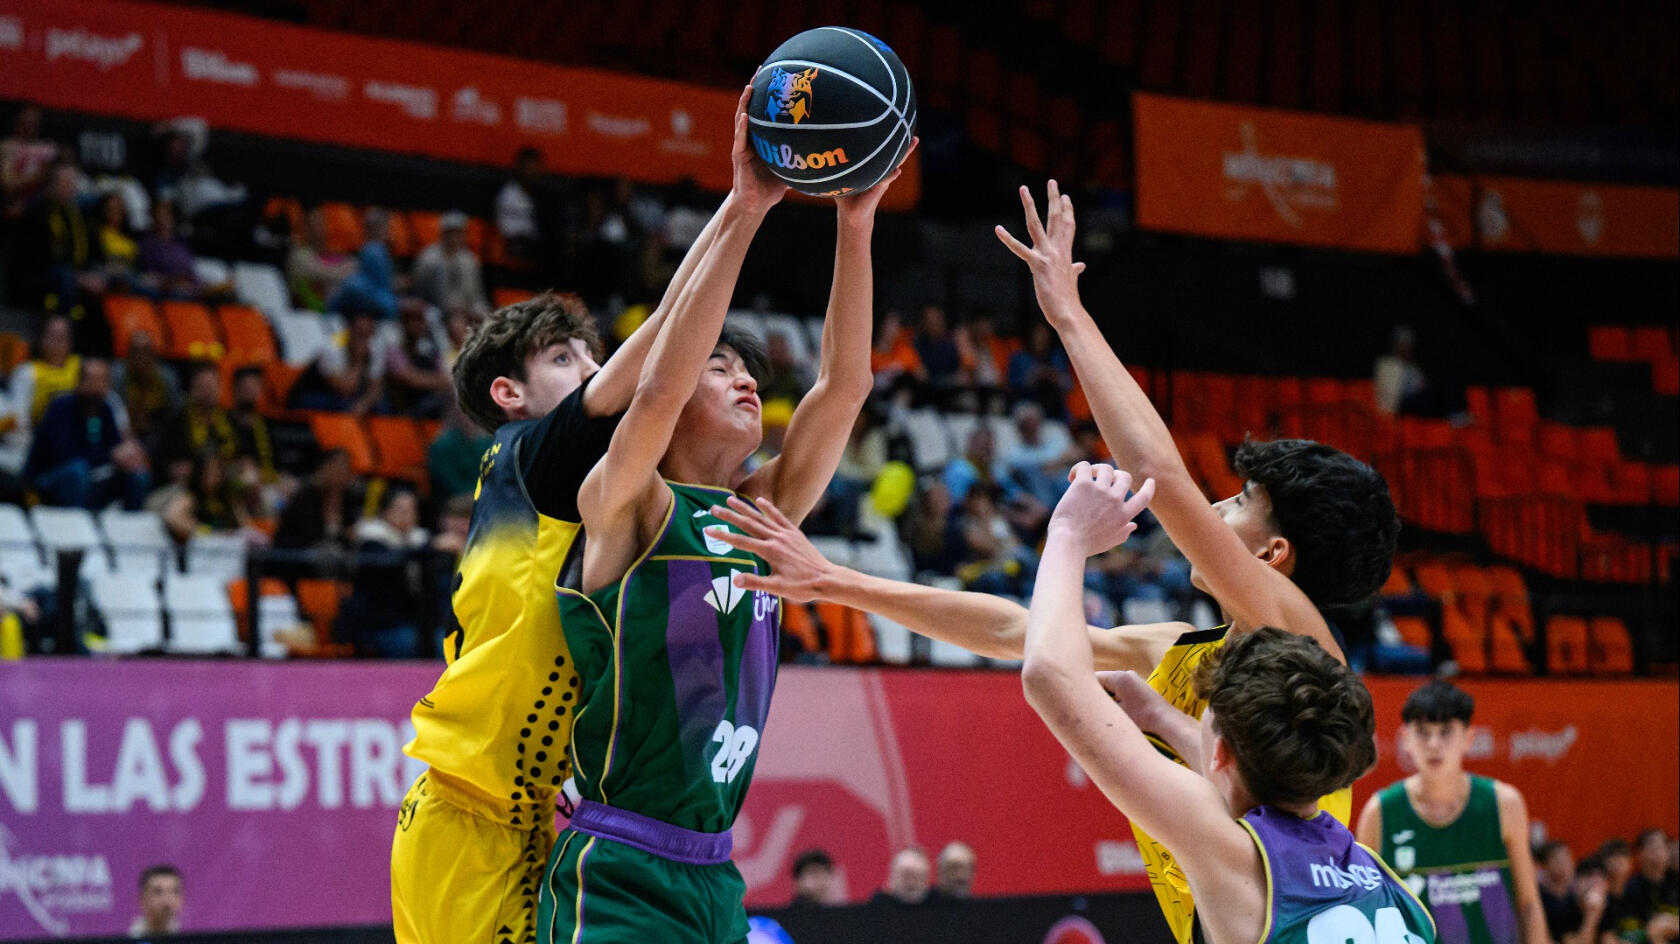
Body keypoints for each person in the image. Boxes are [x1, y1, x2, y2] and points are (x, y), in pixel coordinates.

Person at [709, 180, 1401, 944]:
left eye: (1237, 502)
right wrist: (835, 582)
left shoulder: (1305, 643)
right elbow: (1016, 630)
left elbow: (1159, 478)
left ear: (1274, 554)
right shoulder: (1189, 652)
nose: (1211, 509)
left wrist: (1068, 316)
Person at [390, 93, 817, 944]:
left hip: (548, 816)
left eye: (590, 352)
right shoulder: (529, 455)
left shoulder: (615, 495)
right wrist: (743, 207)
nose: (591, 367)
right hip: (469, 811)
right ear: (510, 395)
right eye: (565, 358)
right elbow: (663, 347)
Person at [536, 91, 906, 944]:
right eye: (721, 367)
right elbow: (658, 389)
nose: (746, 382)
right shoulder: (625, 504)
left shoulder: (761, 514)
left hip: (716, 870)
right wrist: (747, 205)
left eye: (748, 372)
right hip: (618, 867)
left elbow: (844, 386)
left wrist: (856, 223)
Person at [1019, 464, 1432, 944]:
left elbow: (1051, 676)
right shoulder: (1392, 888)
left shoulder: (1232, 854)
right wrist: (1156, 716)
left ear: (1220, 756)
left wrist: (1068, 534)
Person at [1355, 679, 1547, 944]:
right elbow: (1363, 912)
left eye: (1445, 731)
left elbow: (1529, 907)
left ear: (1469, 738)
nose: (1434, 744)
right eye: (1423, 731)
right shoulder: (1380, 812)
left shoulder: (1504, 803)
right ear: (1405, 739)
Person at [24, 359, 150, 510]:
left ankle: (131, 528)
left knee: (137, 474)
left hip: (90, 479)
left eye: (102, 381)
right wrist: (111, 455)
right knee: (78, 470)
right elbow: (64, 454)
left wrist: (128, 455)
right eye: (91, 380)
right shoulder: (61, 407)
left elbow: (112, 445)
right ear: (79, 382)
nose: (96, 387)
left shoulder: (104, 410)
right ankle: (72, 528)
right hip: (49, 479)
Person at [1607, 830, 1680, 944]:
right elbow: (1624, 934)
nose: (1657, 853)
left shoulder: (1675, 883)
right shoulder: (1629, 889)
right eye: (1651, 847)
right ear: (1639, 854)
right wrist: (1651, 932)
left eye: (1661, 847)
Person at [411, 210, 486, 313]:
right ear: (443, 233)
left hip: (465, 313)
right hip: (434, 311)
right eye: (452, 232)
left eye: (459, 233)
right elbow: (418, 292)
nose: (455, 237)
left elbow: (477, 295)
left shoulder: (470, 260)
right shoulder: (428, 257)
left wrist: (483, 311)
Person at [1538, 841, 1610, 944]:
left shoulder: (1600, 903)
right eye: (1558, 860)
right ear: (1544, 865)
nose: (1565, 864)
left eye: (1567, 858)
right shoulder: (1547, 903)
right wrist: (1591, 916)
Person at [127, 864, 182, 938]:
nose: (167, 899)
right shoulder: (132, 938)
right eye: (158, 892)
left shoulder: (189, 939)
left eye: (174, 891)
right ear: (142, 900)